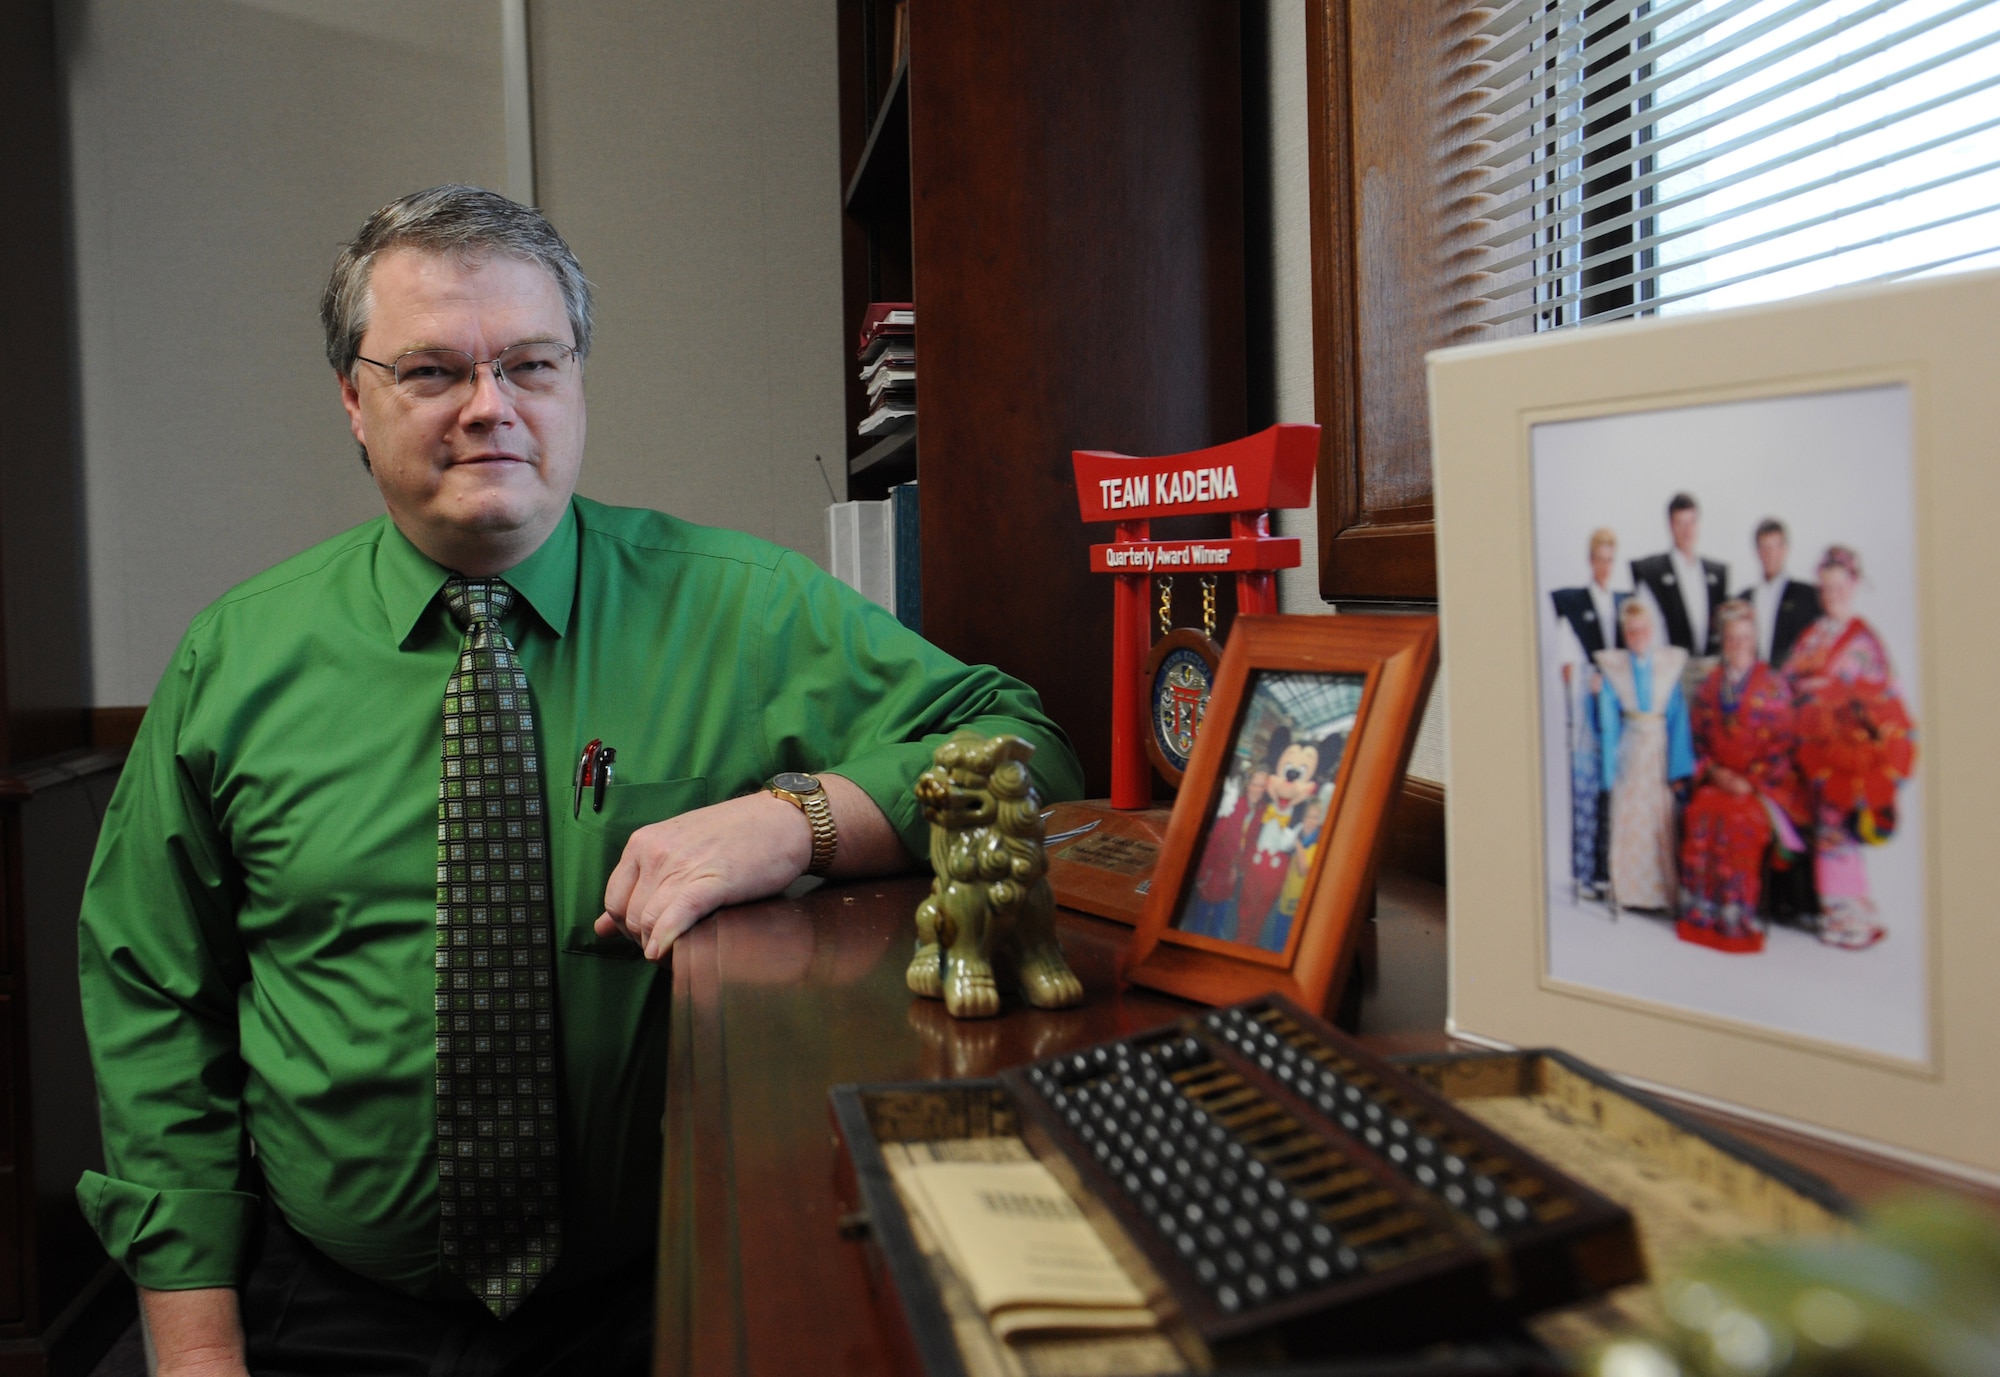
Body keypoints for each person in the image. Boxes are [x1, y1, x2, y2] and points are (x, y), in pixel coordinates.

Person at [75, 187, 1083, 1377]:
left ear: (577, 379)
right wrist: (195, 1354)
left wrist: (795, 823)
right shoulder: (232, 660)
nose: (490, 408)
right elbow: (153, 994)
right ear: (354, 398)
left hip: (658, 1297)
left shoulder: (744, 610)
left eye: (530, 364)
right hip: (324, 1310)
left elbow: (1025, 751)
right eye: (432, 371)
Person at [1784, 545, 1917, 950]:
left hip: (1847, 749)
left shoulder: (1865, 641)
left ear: (1854, 586)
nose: (1832, 595)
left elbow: (1884, 697)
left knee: (1840, 834)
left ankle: (1850, 919)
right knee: (1821, 832)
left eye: (1839, 587)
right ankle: (1833, 912)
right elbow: (1789, 679)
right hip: (1812, 745)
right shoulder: (1812, 634)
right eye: (1826, 588)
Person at [1676, 601, 1809, 953]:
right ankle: (1701, 915)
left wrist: (1750, 782)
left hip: (1760, 788)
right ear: (1724, 641)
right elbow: (1696, 742)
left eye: (1745, 638)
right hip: (1718, 781)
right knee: (1700, 813)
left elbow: (1784, 747)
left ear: (1755, 640)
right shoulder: (1708, 687)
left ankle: (1737, 918)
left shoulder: (1775, 686)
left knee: (1738, 820)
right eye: (1732, 638)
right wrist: (1715, 773)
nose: (1738, 645)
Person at [1594, 599, 1694, 914]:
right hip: (1630, 748)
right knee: (1627, 813)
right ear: (1625, 633)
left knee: (1658, 817)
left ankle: (1660, 893)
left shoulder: (1668, 665)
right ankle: (1625, 889)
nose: (1637, 635)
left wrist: (1679, 770)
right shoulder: (1616, 668)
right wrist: (1597, 694)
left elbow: (1678, 718)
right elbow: (1608, 721)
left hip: (1659, 751)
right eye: (1631, 630)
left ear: (1652, 630)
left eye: (1642, 629)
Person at [1550, 527, 1626, 901]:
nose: (1605, 566)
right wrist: (1587, 680)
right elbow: (1566, 668)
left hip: (1618, 711)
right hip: (1586, 711)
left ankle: (1609, 868)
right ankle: (1586, 870)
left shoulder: (1623, 603)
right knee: (1586, 791)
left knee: (1612, 791)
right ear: (1590, 560)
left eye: (1611, 559)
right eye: (1600, 558)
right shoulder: (1575, 606)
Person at [1631, 492, 1728, 657]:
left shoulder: (1716, 574)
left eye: (1691, 522)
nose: (1687, 531)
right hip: (1670, 670)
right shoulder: (1652, 573)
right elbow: (1647, 628)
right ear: (1670, 526)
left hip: (1711, 671)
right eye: (1680, 524)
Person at [1179, 764, 1268, 939]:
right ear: (1247, 784)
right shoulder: (1234, 805)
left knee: (1218, 922)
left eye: (1262, 785)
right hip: (1214, 871)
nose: (1258, 789)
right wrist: (1203, 874)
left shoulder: (1260, 812)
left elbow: (1250, 844)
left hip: (1231, 877)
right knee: (1199, 921)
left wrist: (1240, 867)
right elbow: (1214, 842)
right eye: (1255, 784)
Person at [1739, 518, 1820, 668]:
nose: (1770, 554)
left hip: (1791, 684)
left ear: (1785, 549)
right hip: (1751, 686)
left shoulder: (1807, 596)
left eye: (1775, 547)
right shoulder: (1742, 599)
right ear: (1757, 551)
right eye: (1764, 547)